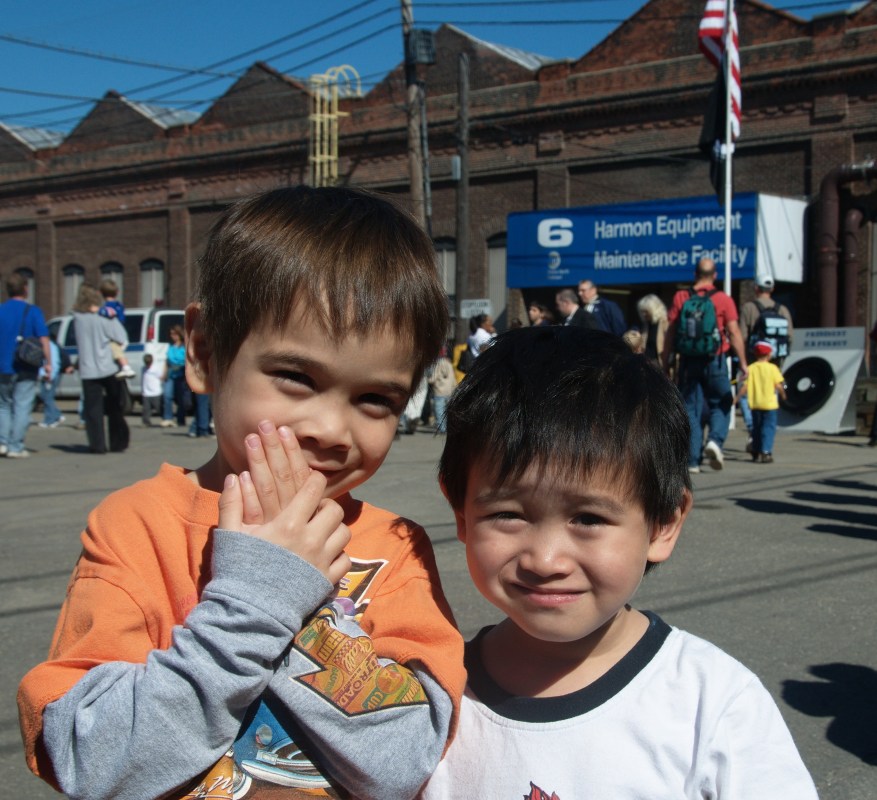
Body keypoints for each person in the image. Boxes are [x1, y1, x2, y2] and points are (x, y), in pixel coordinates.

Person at [18, 186, 465, 800]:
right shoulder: (136, 527)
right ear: (204, 353)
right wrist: (255, 602)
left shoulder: (396, 548)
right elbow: (89, 759)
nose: (330, 430)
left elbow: (406, 759)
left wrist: (291, 605)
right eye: (295, 377)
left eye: (374, 399)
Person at [420, 325, 817, 799]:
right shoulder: (428, 698)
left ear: (663, 524)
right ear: (461, 513)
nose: (545, 560)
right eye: (507, 514)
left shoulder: (713, 706)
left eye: (588, 518)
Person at [662, 257, 748, 474]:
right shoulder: (723, 299)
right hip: (715, 360)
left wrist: (665, 360)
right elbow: (734, 332)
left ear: (695, 274)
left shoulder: (681, 297)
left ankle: (692, 461)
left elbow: (670, 331)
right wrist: (743, 363)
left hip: (688, 360)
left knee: (690, 408)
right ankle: (715, 441)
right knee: (722, 401)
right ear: (715, 275)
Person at [73, 284, 130, 454]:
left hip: (88, 369)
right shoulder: (105, 316)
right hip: (108, 367)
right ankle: (117, 443)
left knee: (92, 410)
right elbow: (121, 337)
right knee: (115, 407)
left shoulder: (77, 318)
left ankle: (97, 445)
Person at [0, 273, 51, 458]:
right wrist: (48, 363)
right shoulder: (33, 311)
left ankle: (3, 442)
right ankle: (16, 446)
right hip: (27, 365)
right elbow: (43, 339)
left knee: (3, 405)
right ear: (25, 289)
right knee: (22, 405)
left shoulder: (1, 310)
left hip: (3, 365)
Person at [737, 340, 787, 464]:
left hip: (755, 404)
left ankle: (755, 450)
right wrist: (783, 395)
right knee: (768, 428)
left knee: (757, 428)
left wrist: (736, 398)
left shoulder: (751, 368)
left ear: (755, 354)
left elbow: (744, 387)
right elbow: (778, 385)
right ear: (769, 355)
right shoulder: (773, 368)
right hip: (770, 405)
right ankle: (765, 451)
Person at [98, 279, 136, 379]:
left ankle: (126, 368)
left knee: (115, 350)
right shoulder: (119, 305)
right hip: (122, 334)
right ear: (117, 292)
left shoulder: (106, 308)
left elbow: (107, 314)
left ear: (101, 293)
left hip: (115, 336)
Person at [37, 332, 71, 428]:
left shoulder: (50, 346)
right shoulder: (52, 344)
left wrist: (49, 375)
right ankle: (56, 416)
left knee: (47, 397)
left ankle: (51, 419)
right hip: (49, 374)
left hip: (50, 374)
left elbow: (54, 362)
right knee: (46, 396)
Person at [160, 324, 188, 428]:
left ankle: (181, 418)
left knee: (181, 398)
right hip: (170, 374)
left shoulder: (184, 347)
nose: (173, 336)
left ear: (179, 334)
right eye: (171, 334)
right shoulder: (170, 347)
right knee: (167, 396)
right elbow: (167, 362)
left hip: (181, 373)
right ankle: (168, 417)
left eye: (175, 334)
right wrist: (164, 373)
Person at [428, 344, 457, 434]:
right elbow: (453, 378)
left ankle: (442, 428)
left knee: (439, 409)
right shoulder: (449, 364)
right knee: (446, 411)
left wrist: (428, 380)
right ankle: (446, 427)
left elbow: (433, 378)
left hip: (439, 391)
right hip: (449, 391)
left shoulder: (437, 364)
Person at [636, 293, 669, 367]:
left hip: (661, 364)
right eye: (642, 311)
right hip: (648, 364)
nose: (644, 314)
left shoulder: (665, 323)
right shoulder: (645, 325)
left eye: (646, 311)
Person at [140, 352, 164, 427]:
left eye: (149, 362)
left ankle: (165, 419)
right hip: (146, 393)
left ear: (152, 361)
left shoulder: (156, 369)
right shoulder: (143, 369)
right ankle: (146, 422)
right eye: (146, 363)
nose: (148, 364)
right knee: (146, 409)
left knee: (159, 408)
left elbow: (161, 377)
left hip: (156, 392)